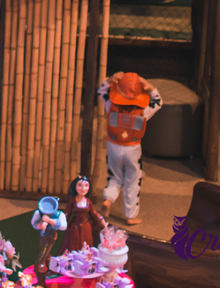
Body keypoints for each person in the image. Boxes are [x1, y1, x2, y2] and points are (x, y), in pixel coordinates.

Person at [98, 72, 162, 225]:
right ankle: (131, 215)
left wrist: (109, 80)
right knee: (133, 180)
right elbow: (158, 102)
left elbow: (101, 92)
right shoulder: (144, 111)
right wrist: (151, 88)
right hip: (132, 148)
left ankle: (108, 199)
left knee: (115, 175)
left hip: (113, 145)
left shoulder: (110, 105)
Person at [63, 174, 107, 252]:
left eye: (86, 185)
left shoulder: (88, 202)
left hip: (86, 228)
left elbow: (94, 213)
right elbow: (67, 213)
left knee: (86, 244)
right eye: (80, 185)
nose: (83, 188)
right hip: (75, 228)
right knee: (73, 245)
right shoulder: (73, 201)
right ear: (75, 187)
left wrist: (102, 221)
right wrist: (60, 222)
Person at [30, 196, 68, 285]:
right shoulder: (38, 213)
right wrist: (40, 224)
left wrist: (49, 220)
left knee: (40, 260)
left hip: (50, 236)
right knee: (46, 256)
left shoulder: (59, 214)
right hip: (42, 236)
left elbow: (63, 226)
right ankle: (55, 270)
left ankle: (41, 284)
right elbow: (34, 223)